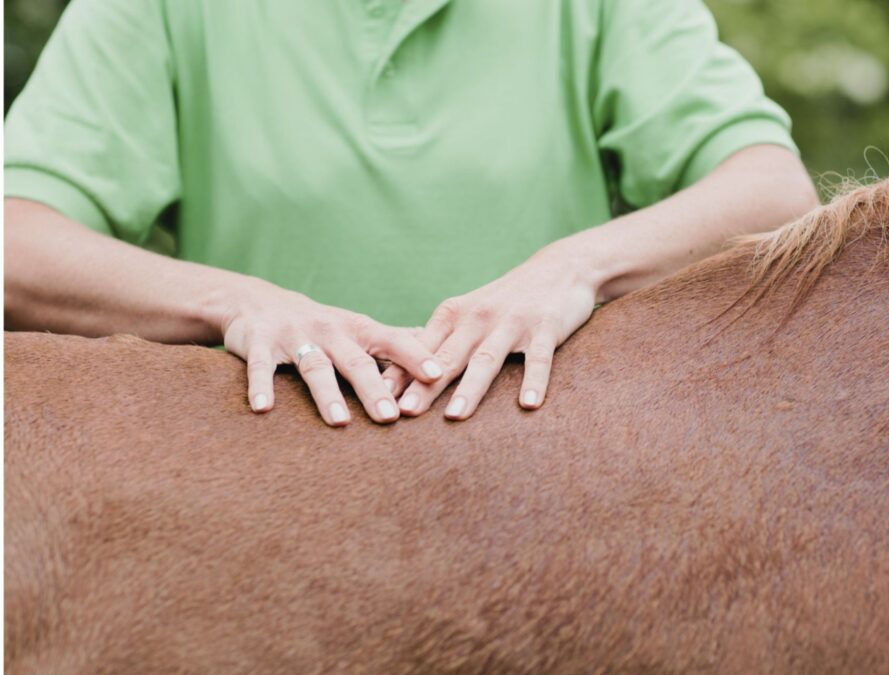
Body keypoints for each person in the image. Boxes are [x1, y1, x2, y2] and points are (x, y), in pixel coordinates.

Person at [4, 0, 819, 427]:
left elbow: (774, 191)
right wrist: (241, 302)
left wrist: (568, 270)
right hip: (258, 484)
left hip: (549, 488)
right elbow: (15, 240)